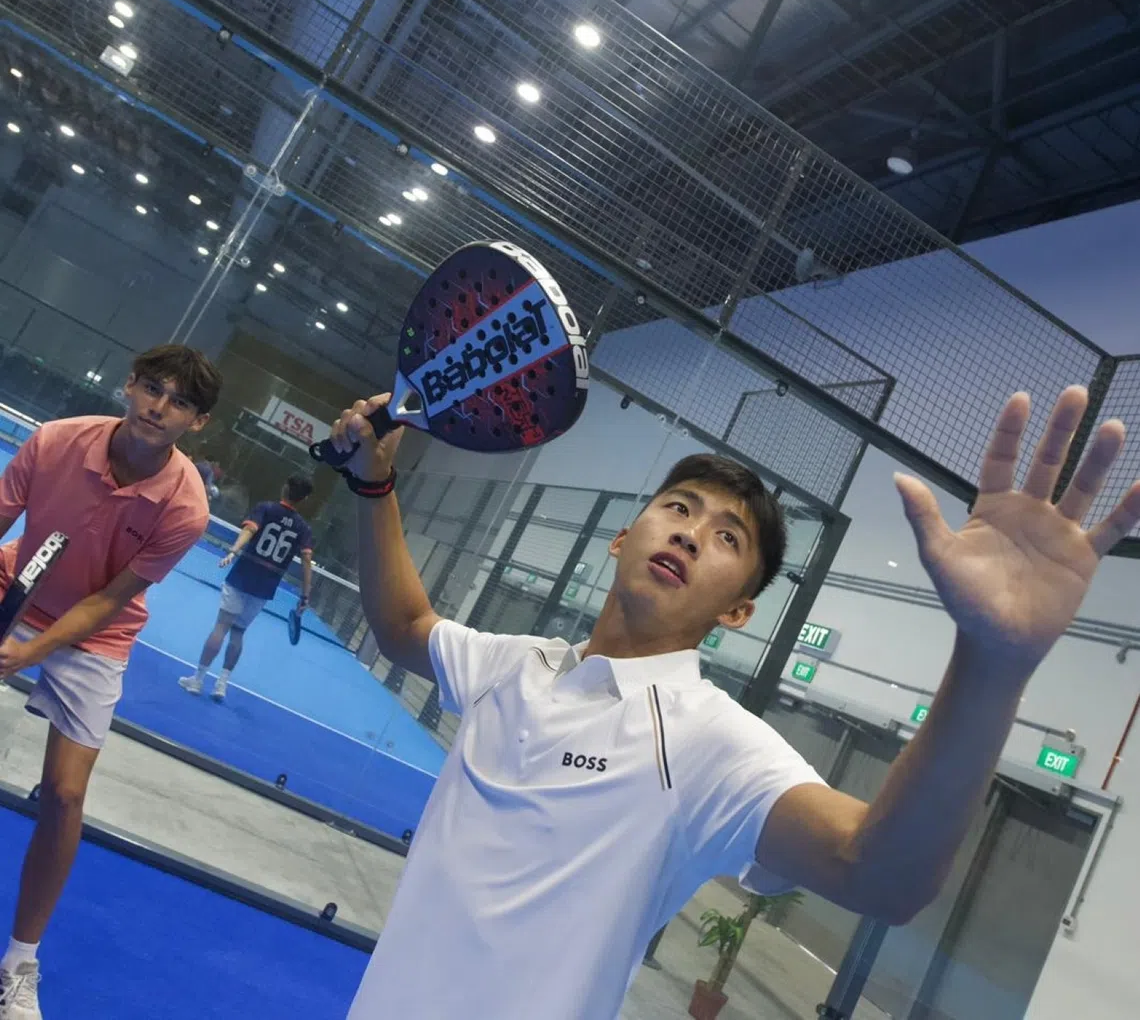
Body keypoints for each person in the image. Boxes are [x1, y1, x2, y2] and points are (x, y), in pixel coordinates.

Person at [327, 386, 1140, 1020]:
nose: (689, 533)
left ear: (738, 612)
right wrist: (373, 483)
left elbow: (879, 876)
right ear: (624, 538)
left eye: (727, 538)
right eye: (679, 509)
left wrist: (991, 663)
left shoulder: (709, 742)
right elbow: (406, 627)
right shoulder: (516, 666)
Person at [0, 344, 222, 1020]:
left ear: (197, 422)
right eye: (152, 388)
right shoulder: (55, 441)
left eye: (179, 402)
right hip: (16, 579)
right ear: (129, 385)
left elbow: (107, 601)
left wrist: (26, 652)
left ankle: (19, 963)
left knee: (65, 795)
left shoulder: (185, 508)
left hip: (98, 629)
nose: (159, 407)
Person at [178, 474, 314, 702]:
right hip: (265, 586)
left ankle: (198, 680)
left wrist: (233, 551)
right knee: (238, 632)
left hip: (242, 576)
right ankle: (221, 685)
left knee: (221, 627)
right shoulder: (303, 528)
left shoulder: (266, 508)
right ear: (304, 499)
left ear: (285, 488)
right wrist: (305, 595)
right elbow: (307, 561)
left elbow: (249, 531)